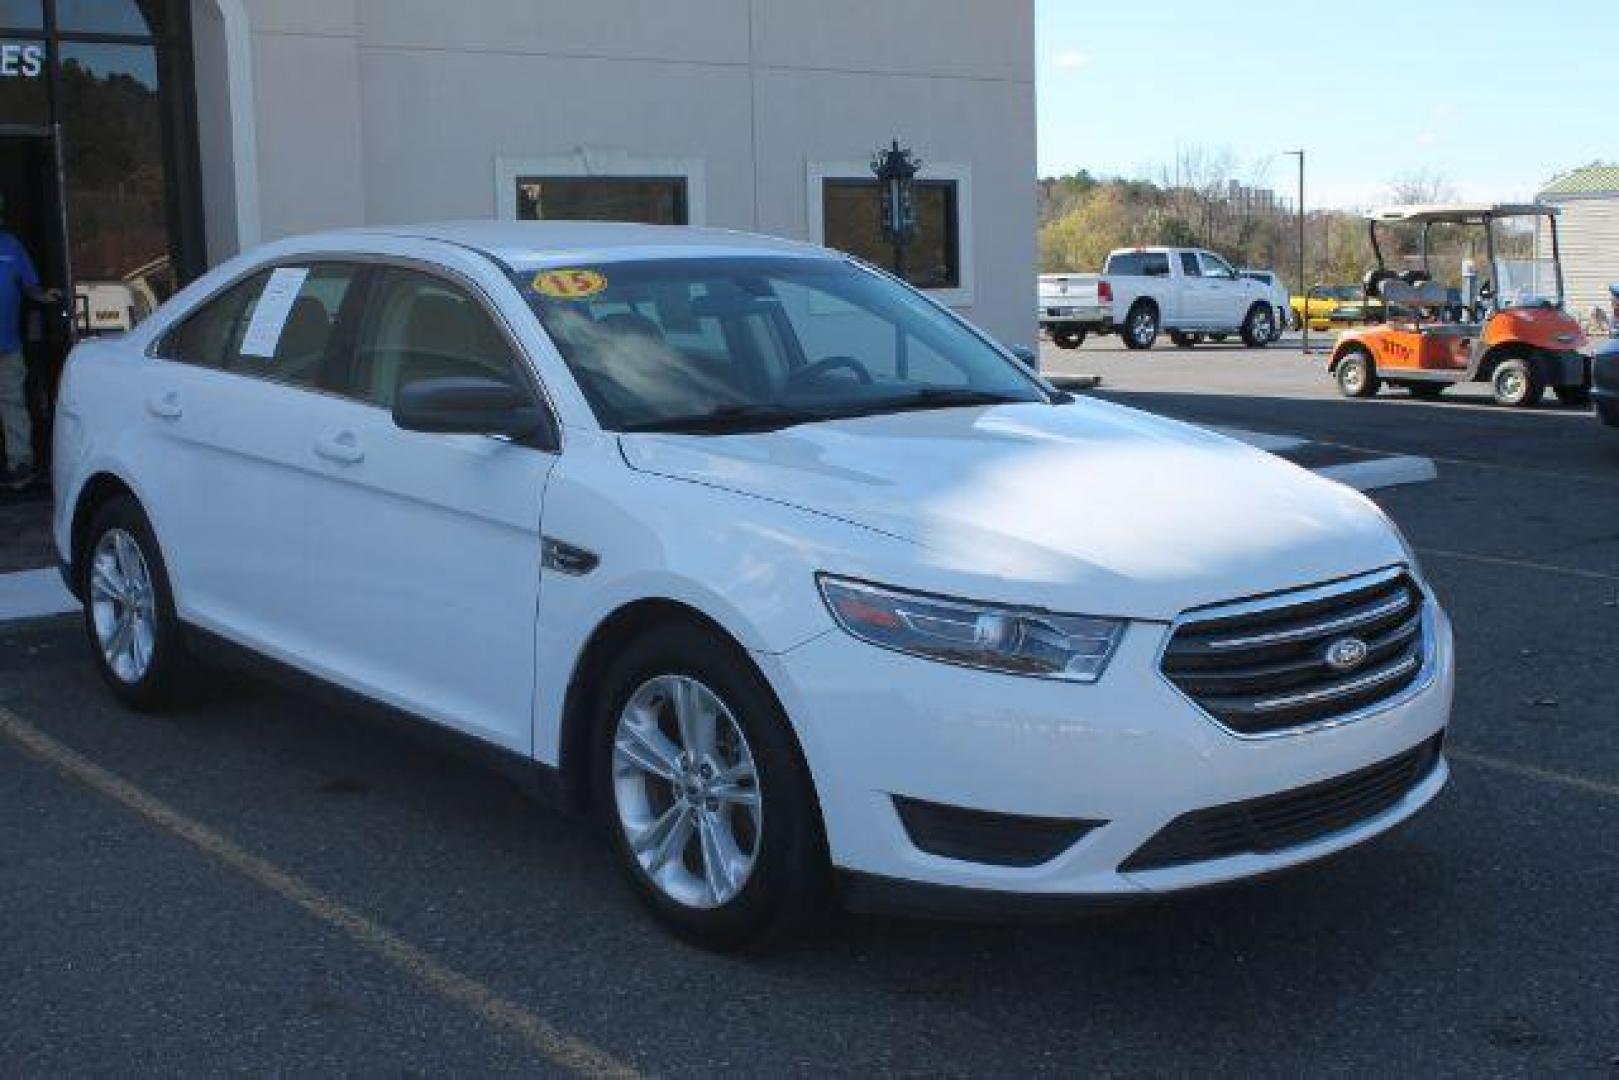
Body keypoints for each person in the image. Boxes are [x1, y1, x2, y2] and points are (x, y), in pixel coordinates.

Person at [0, 194, 60, 491]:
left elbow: (30, 285)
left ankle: (20, 463)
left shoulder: (11, 246)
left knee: (13, 404)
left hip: (8, 345)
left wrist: (44, 296)